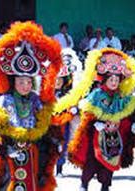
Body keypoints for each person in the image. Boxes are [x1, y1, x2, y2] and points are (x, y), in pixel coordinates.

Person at [0, 21, 63, 191]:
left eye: (28, 81)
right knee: (7, 181)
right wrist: (2, 142)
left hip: (32, 147)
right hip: (10, 147)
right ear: (13, 81)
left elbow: (44, 122)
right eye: (21, 81)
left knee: (33, 180)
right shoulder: (3, 100)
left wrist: (54, 138)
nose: (25, 85)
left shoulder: (35, 99)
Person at [68, 48, 135, 191]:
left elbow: (130, 114)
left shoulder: (123, 97)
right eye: (111, 79)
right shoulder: (96, 94)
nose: (114, 82)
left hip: (115, 134)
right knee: (91, 159)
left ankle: (106, 185)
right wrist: (95, 123)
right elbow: (87, 111)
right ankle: (84, 183)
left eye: (116, 79)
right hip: (96, 134)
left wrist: (133, 124)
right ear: (105, 80)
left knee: (112, 158)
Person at [52, 48, 83, 177]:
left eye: (60, 80)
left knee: (63, 144)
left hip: (65, 122)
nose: (57, 82)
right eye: (56, 80)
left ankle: (59, 168)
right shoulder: (48, 94)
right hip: (50, 123)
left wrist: (75, 108)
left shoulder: (69, 92)